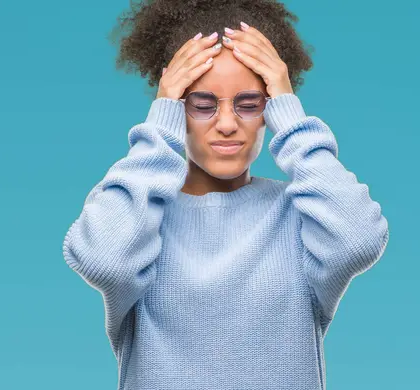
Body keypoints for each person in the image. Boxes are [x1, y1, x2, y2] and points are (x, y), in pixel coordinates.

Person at [62, 1, 389, 389]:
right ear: (175, 107)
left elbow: (360, 240)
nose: (228, 124)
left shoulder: (301, 215)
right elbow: (103, 261)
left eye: (249, 104)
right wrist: (160, 128)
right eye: (202, 105)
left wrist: (290, 115)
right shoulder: (140, 217)